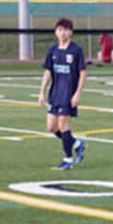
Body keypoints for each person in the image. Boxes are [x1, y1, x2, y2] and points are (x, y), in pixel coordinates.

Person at [37, 17, 87, 170]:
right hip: (55, 94)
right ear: (55, 32)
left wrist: (77, 93)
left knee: (63, 124)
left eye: (65, 30)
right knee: (51, 127)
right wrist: (41, 93)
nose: (62, 33)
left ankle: (68, 160)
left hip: (68, 94)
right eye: (59, 30)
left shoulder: (76, 50)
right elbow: (48, 72)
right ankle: (77, 144)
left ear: (70, 32)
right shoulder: (52, 50)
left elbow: (83, 73)